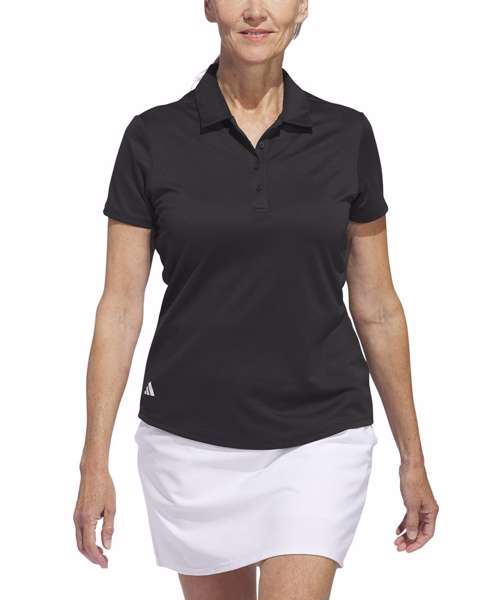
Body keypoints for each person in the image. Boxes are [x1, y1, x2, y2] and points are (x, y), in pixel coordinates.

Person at [74, 1, 439, 598]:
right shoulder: (152, 138)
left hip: (320, 433)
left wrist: (413, 460)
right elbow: (118, 309)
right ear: (209, 6)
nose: (255, 11)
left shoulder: (347, 135)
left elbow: (377, 307)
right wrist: (93, 462)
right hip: (190, 439)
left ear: (302, 6)